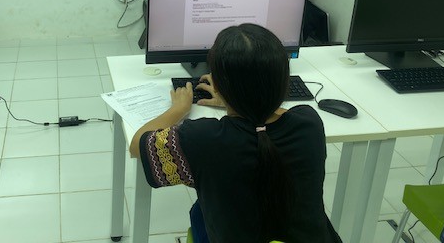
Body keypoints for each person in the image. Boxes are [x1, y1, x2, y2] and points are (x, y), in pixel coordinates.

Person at [130, 23, 342, 243]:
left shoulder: (201, 139)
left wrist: (179, 109)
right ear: (284, 81)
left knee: (199, 210)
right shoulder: (309, 123)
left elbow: (137, 145)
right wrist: (239, 101)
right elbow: (267, 118)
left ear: (217, 85)